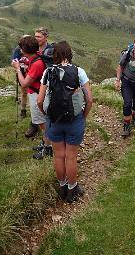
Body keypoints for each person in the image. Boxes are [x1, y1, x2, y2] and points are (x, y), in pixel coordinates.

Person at [37, 41, 93, 203]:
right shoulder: (79, 71)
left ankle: (62, 186)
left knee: (58, 155)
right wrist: (83, 115)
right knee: (71, 157)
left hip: (53, 120)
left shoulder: (48, 72)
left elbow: (40, 101)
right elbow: (89, 99)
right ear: (69, 54)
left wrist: (47, 115)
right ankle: (72, 189)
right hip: (74, 119)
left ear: (54, 55)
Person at [12, 35, 52, 159]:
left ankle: (48, 147)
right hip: (38, 92)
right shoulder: (37, 56)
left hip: (37, 95)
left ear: (24, 50)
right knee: (43, 122)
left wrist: (18, 69)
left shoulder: (37, 64)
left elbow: (24, 83)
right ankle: (46, 143)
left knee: (42, 123)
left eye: (21, 48)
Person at [11, 35, 31, 120]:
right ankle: (23, 110)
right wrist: (19, 66)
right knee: (24, 92)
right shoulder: (18, 49)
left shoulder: (33, 48)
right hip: (22, 72)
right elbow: (13, 62)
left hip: (31, 71)